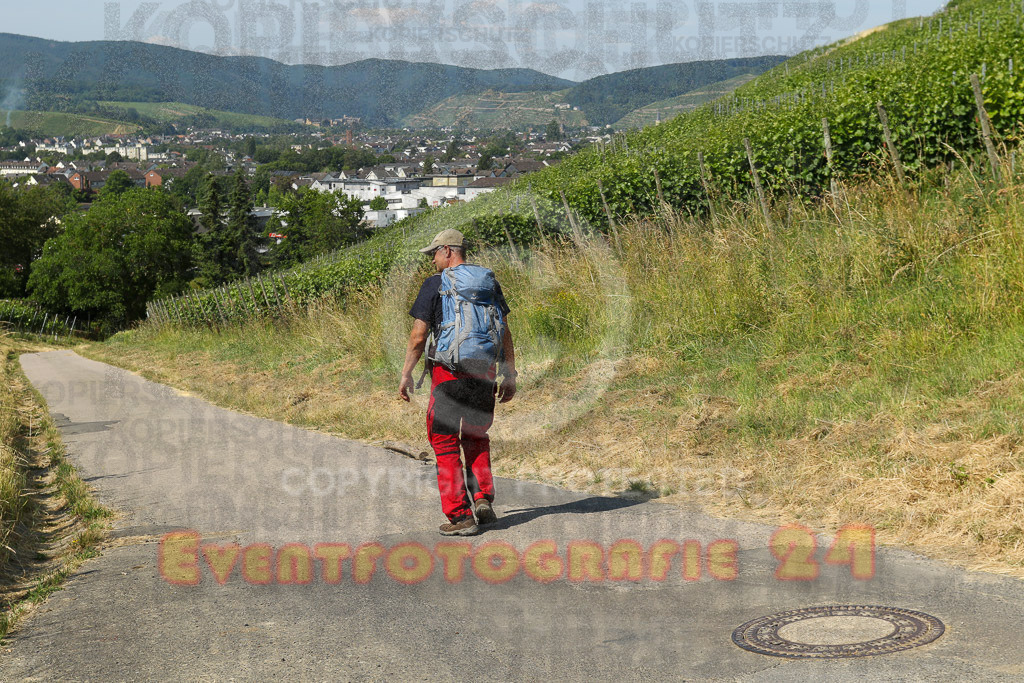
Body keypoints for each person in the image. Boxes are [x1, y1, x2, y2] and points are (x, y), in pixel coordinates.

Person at [399, 229, 518, 536]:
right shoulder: (488, 282)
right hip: (485, 373)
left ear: (448, 251)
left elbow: (418, 336)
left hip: (448, 375)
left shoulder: (435, 284)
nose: (432, 260)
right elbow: (504, 329)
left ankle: (460, 515)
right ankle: (482, 497)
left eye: (434, 253)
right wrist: (510, 373)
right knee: (477, 436)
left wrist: (406, 373)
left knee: (444, 441)